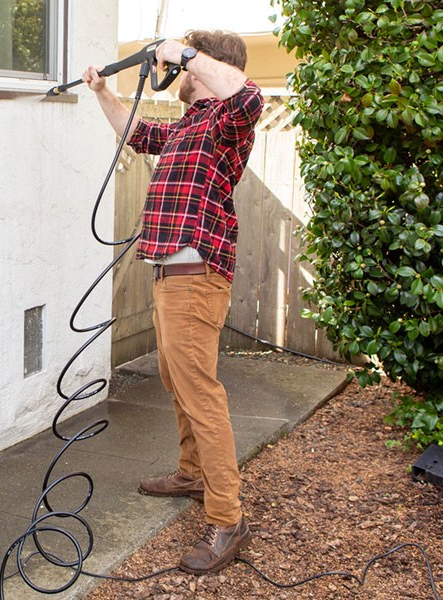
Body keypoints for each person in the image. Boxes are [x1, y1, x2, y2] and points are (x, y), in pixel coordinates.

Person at [82, 31, 263, 575]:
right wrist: (101, 92)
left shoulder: (228, 122)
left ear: (206, 70)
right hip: (168, 275)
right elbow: (135, 133)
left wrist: (183, 54)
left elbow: (252, 95)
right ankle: (191, 472)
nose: (179, 77)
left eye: (188, 69)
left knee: (200, 392)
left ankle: (228, 518)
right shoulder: (189, 125)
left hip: (196, 276)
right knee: (176, 379)